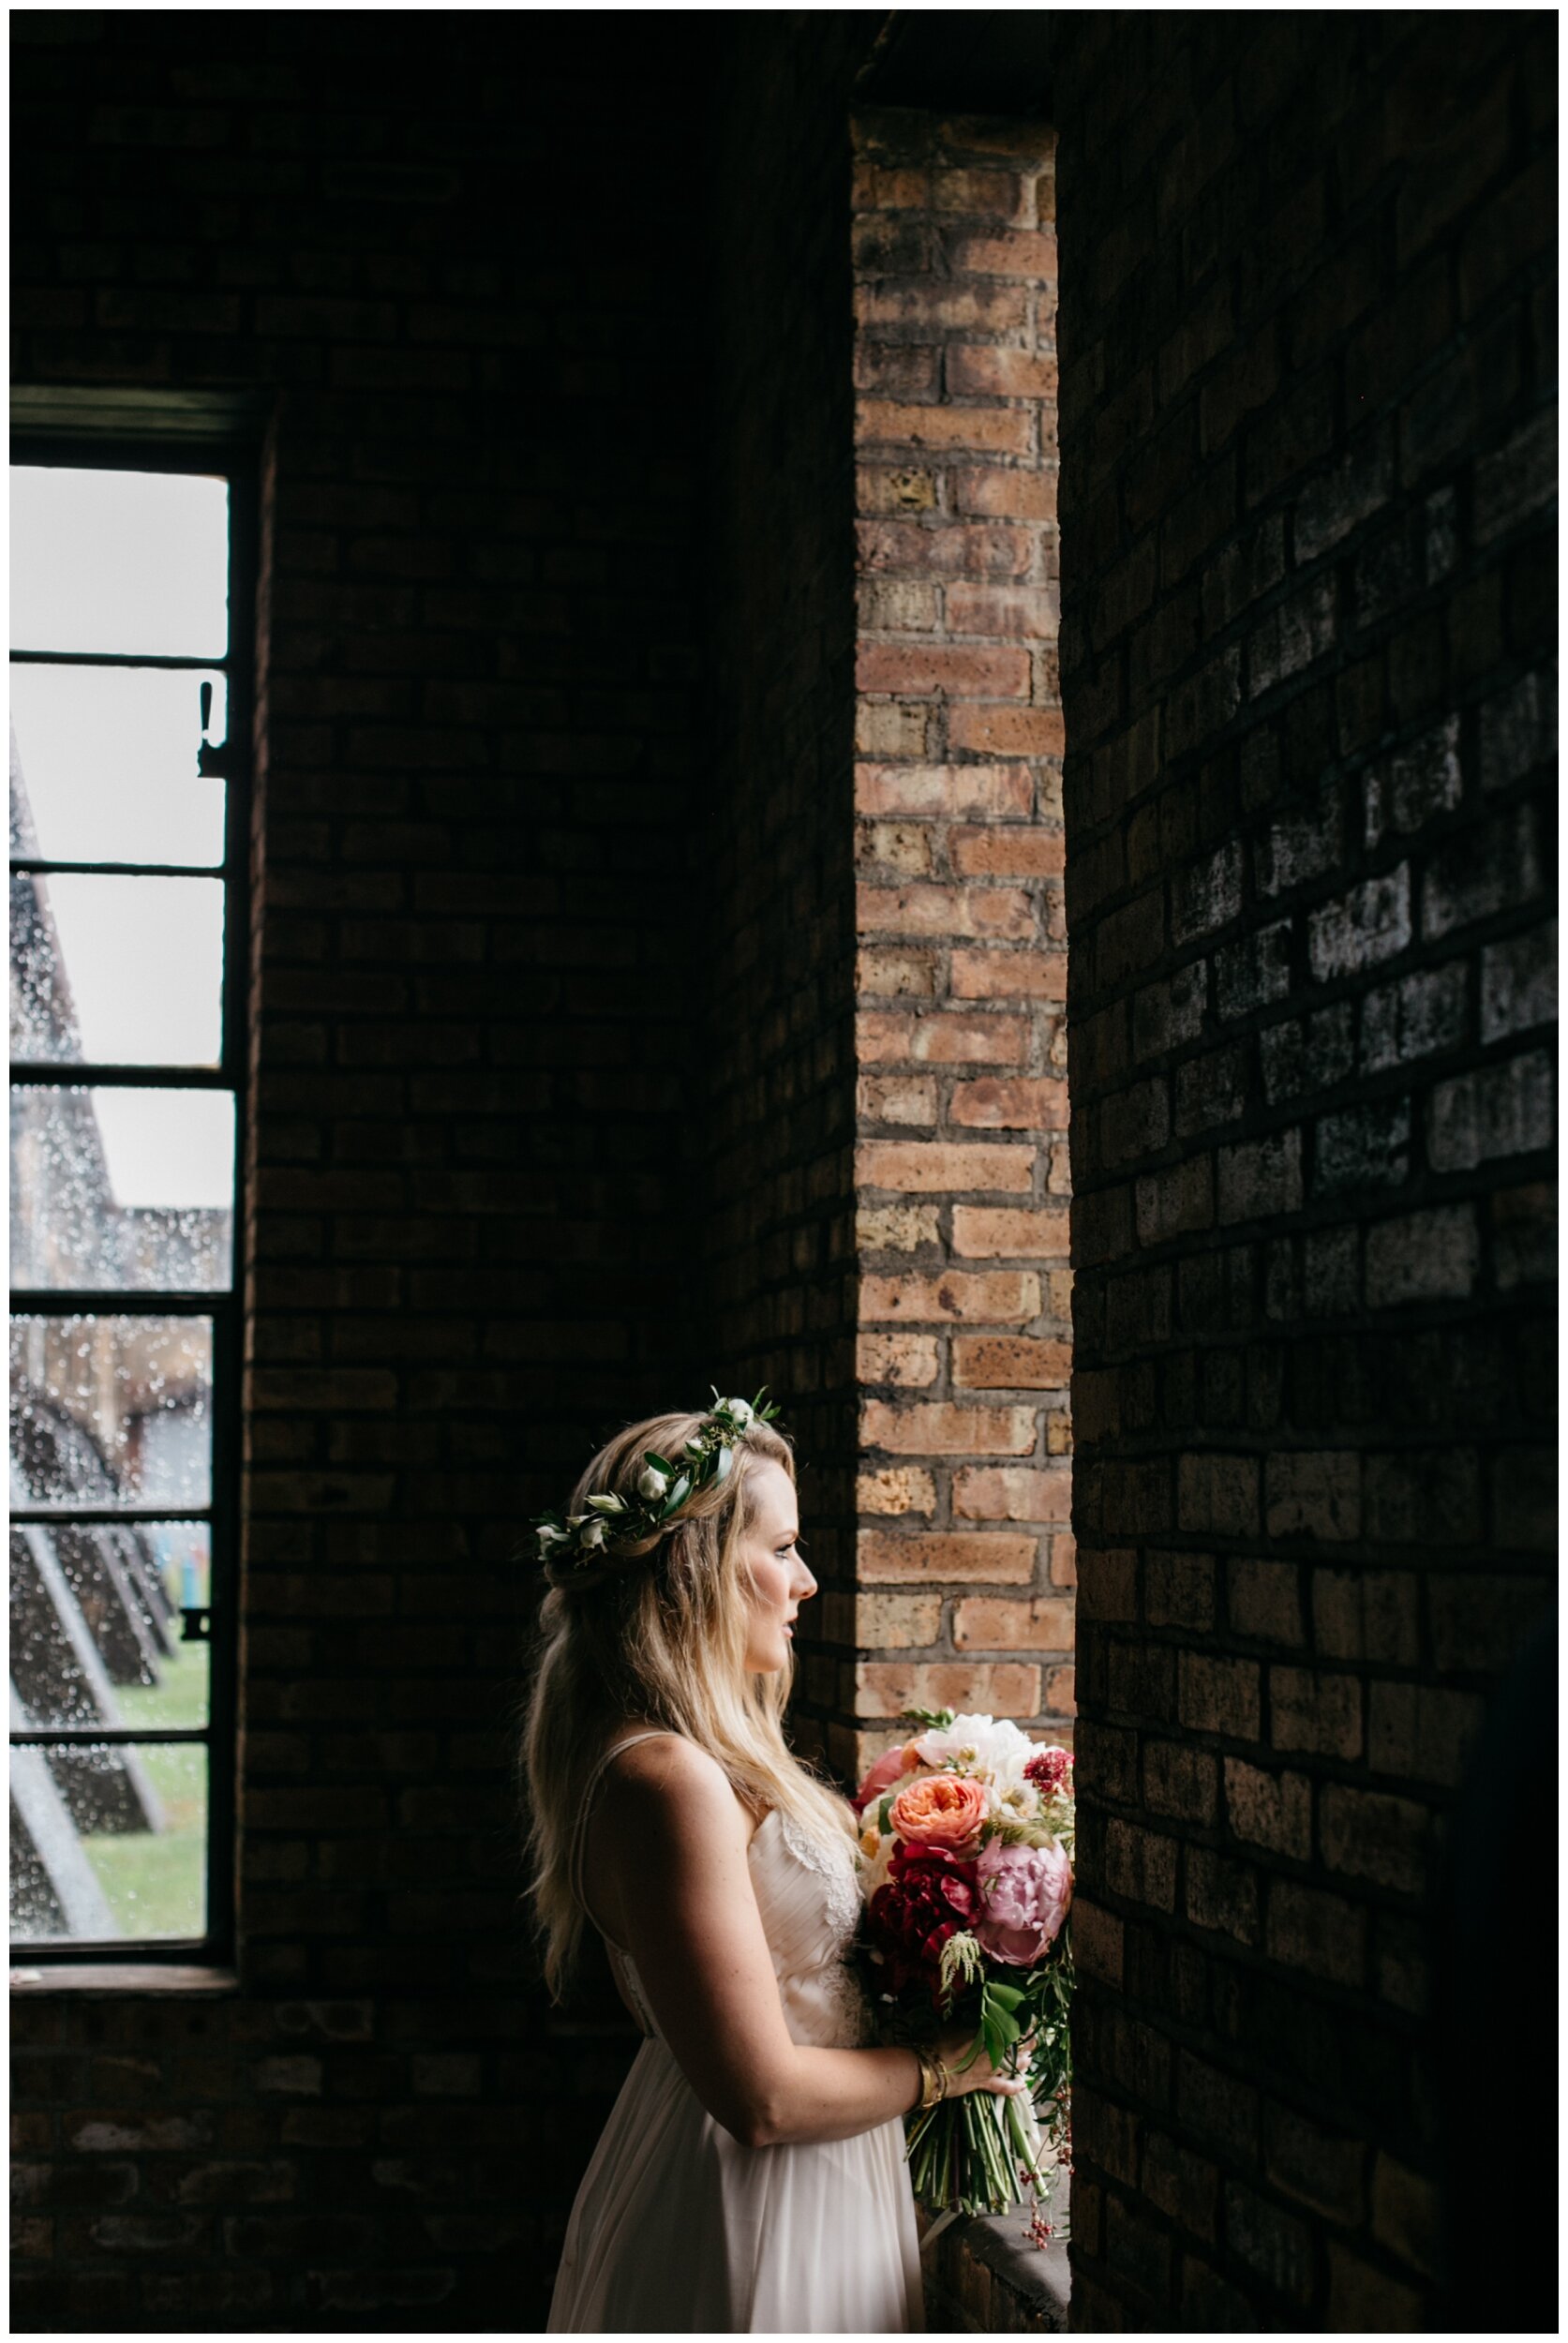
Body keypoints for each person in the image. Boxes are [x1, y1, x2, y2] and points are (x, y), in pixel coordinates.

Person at [521, 1395, 1030, 2334]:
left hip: (822, 2177)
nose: (805, 1581)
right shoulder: (663, 1778)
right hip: (744, 2203)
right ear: (696, 1567)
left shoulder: (699, 1759)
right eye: (782, 1547)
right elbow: (759, 2095)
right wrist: (952, 2062)